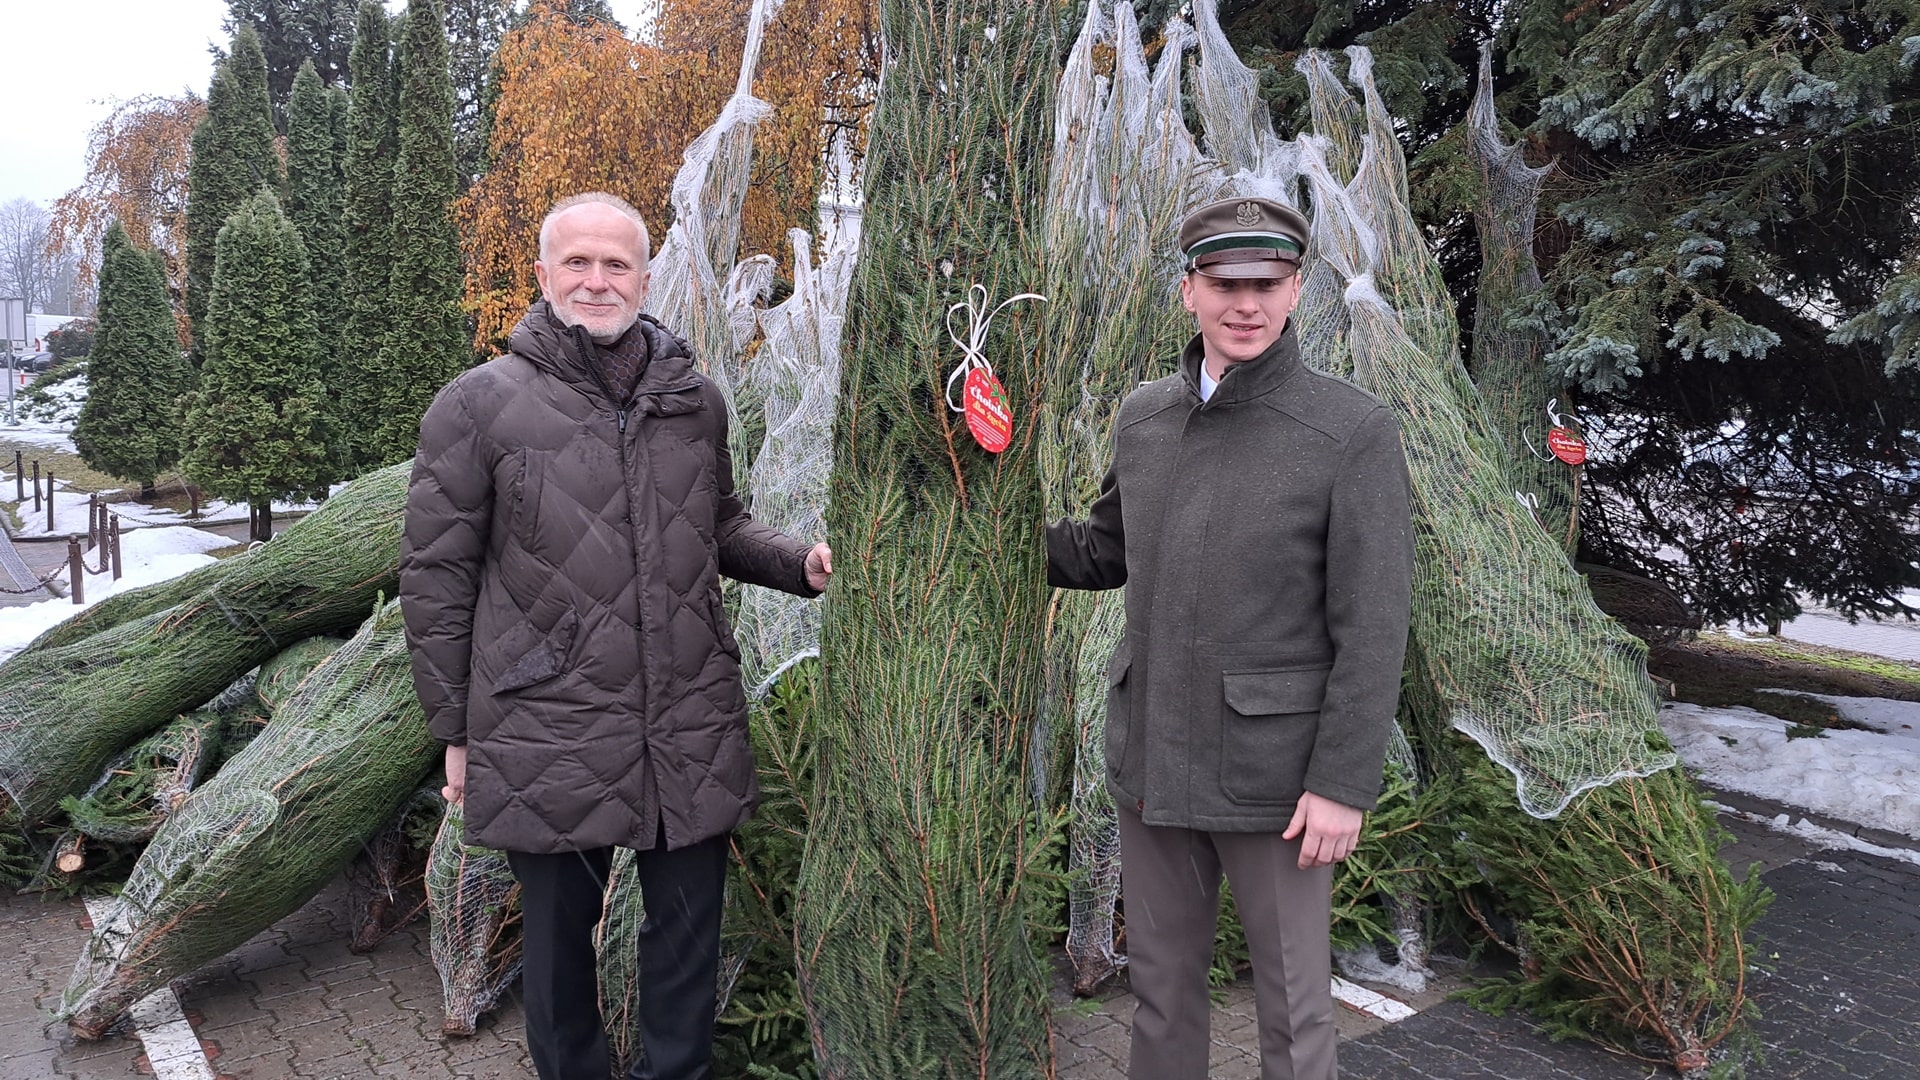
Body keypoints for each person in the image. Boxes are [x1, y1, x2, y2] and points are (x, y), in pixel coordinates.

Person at [399, 191, 831, 1080]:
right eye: (578, 263)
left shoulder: (692, 401)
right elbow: (435, 579)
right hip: (546, 719)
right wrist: (455, 732)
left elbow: (720, 525)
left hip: (686, 715)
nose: (597, 281)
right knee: (559, 961)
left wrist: (799, 564)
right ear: (545, 274)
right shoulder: (478, 405)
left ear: (644, 275)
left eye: (617, 264)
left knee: (684, 949)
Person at [1046, 196, 1414, 1080]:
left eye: (1268, 283)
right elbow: (1105, 550)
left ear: (1295, 292)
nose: (1245, 304)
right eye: (1224, 284)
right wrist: (975, 527)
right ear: (1188, 291)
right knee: (1164, 998)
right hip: (1154, 762)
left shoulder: (1350, 429)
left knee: (1294, 1010)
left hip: (1278, 782)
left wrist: (1340, 783)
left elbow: (1373, 622)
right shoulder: (1144, 417)